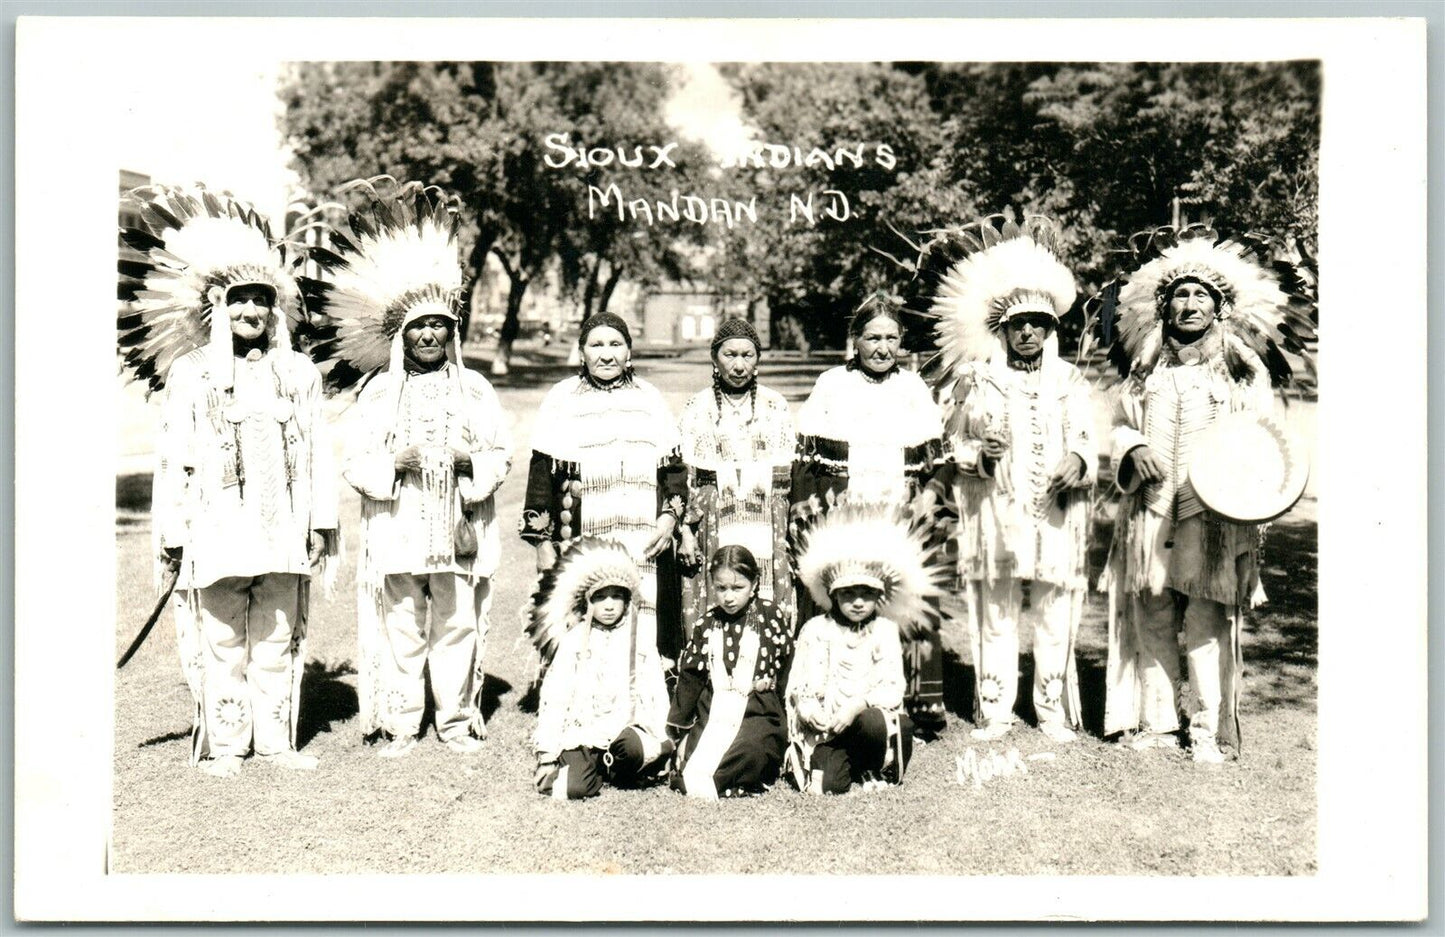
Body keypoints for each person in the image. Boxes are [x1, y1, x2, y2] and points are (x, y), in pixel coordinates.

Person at [118, 184, 339, 778]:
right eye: (239, 301)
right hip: (216, 528)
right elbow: (174, 458)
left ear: (275, 309)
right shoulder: (191, 376)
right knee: (222, 642)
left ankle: (275, 742)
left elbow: (318, 449)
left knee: (275, 638)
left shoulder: (298, 373)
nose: (251, 313)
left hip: (283, 528)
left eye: (261, 302)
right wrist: (172, 530)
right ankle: (226, 746)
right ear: (217, 307)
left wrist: (320, 521)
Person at [306, 178, 512, 758]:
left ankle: (454, 721)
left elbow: (501, 451)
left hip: (458, 526)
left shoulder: (473, 388)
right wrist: (397, 460)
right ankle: (399, 723)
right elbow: (356, 461)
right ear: (402, 334)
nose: (428, 335)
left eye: (438, 327)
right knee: (400, 622)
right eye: (418, 327)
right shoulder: (378, 393)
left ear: (451, 334)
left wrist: (471, 460)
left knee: (456, 623)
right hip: (397, 524)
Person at [1098, 228, 1311, 764]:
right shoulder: (1144, 373)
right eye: (1180, 296)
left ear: (1219, 309)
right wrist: (1134, 446)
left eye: (1201, 296)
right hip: (1149, 507)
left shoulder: (1241, 374)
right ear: (1164, 308)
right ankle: (1159, 720)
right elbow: (1118, 425)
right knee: (1151, 607)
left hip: (1212, 513)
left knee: (1206, 617)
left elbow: (1263, 441)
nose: (1189, 305)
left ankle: (1208, 727)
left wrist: (1243, 496)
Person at [924, 216, 1096, 744]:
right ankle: (995, 707)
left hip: (1056, 509)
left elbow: (1088, 437)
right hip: (994, 512)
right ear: (1002, 330)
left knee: (1054, 609)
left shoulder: (1070, 381)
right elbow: (953, 443)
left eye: (1037, 324)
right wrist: (980, 454)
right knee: (994, 608)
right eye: (1017, 324)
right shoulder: (979, 381)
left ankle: (1050, 710)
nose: (1027, 333)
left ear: (1050, 330)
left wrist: (1080, 461)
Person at [791, 293, 949, 733]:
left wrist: (930, 498)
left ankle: (910, 705)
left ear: (901, 342)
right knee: (847, 599)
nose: (882, 347)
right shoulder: (831, 385)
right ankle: (830, 697)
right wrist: (810, 519)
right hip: (845, 519)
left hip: (900, 518)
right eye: (872, 337)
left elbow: (941, 461)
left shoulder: (913, 388)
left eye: (891, 338)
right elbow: (806, 463)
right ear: (855, 340)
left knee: (902, 598)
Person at [521, 312, 688, 665]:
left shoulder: (650, 399)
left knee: (644, 612)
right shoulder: (561, 398)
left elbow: (673, 469)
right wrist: (542, 544)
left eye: (616, 345)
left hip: (645, 539)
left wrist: (669, 519)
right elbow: (540, 476)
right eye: (596, 345)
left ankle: (644, 692)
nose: (606, 354)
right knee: (586, 609)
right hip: (582, 531)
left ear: (630, 352)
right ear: (581, 353)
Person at [785, 504, 944, 795]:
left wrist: (858, 704)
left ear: (879, 596)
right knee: (828, 785)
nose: (858, 603)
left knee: (873, 722)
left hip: (867, 722)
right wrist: (809, 710)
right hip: (827, 729)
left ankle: (875, 763)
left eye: (867, 594)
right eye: (848, 594)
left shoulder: (884, 631)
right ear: (833, 595)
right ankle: (845, 763)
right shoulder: (815, 630)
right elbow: (799, 685)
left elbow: (893, 687)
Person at [528, 538, 673, 800]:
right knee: (573, 787)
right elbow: (556, 695)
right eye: (601, 597)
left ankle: (621, 769)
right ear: (587, 600)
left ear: (628, 599)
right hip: (585, 731)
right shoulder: (573, 641)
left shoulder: (640, 637)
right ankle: (597, 768)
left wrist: (663, 739)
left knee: (633, 749)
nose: (609, 605)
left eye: (617, 596)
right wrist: (548, 754)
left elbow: (656, 689)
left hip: (628, 727)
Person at [676, 318, 796, 628]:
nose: (739, 365)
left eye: (747, 355)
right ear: (714, 358)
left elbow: (786, 482)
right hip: (712, 523)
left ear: (758, 358)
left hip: (766, 522)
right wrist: (685, 532)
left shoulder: (775, 406)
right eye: (730, 355)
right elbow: (685, 479)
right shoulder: (697, 407)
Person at [668, 545, 794, 799]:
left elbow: (787, 665)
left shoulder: (771, 615)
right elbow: (691, 677)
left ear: (755, 583)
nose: (729, 597)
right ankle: (717, 779)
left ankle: (714, 780)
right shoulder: (706, 624)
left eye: (738, 588)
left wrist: (789, 714)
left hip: (758, 711)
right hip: (714, 711)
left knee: (752, 749)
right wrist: (681, 731)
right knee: (701, 751)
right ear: (712, 584)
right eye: (721, 588)